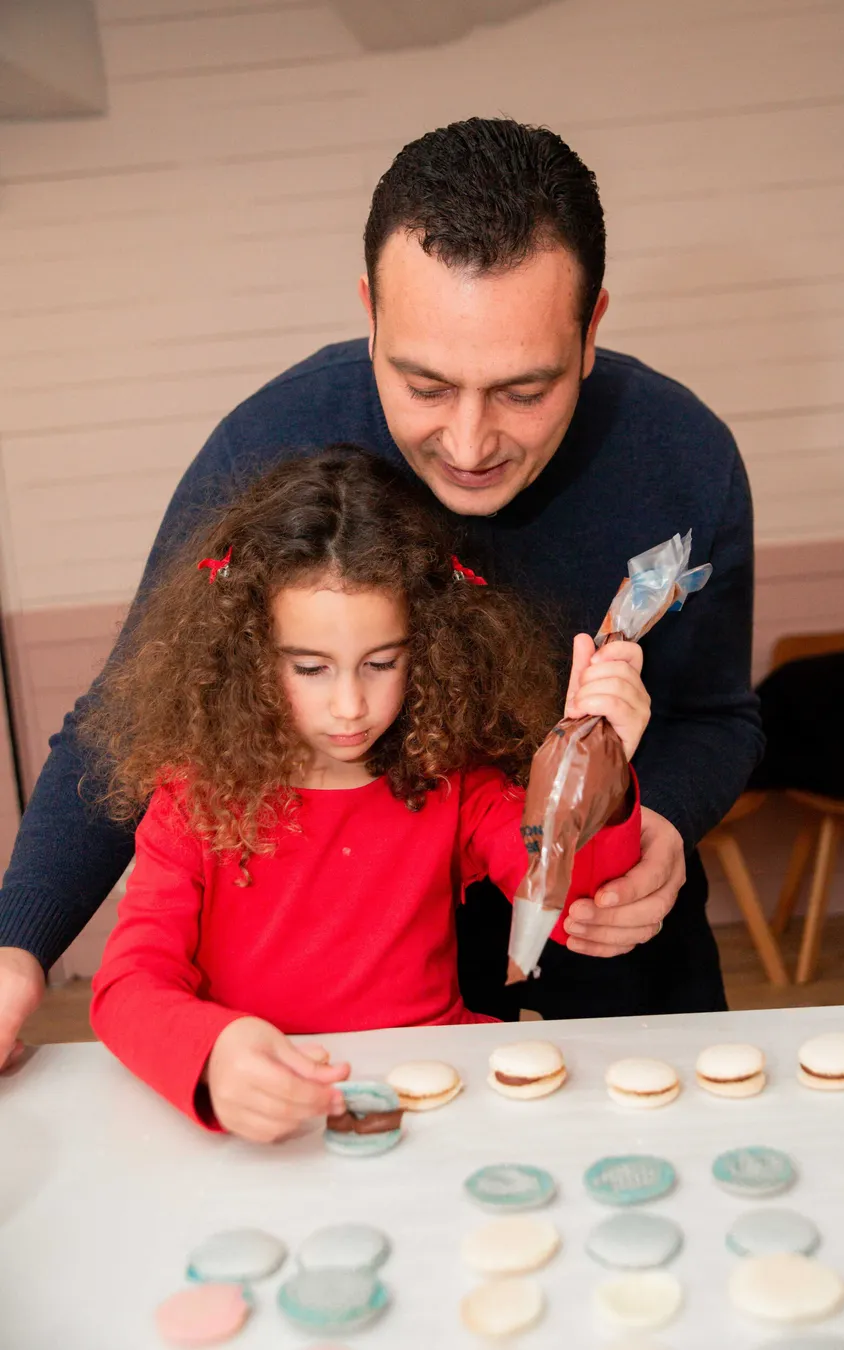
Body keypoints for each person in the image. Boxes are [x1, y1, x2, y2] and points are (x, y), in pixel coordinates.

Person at [0, 117, 763, 1065]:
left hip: (611, 929)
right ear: (370, 313)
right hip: (380, 971)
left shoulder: (684, 458)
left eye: (525, 391)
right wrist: (16, 945)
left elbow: (720, 718)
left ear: (591, 327)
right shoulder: (268, 448)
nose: (471, 444)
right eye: (424, 385)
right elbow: (128, 723)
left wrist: (653, 824)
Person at [85, 448, 648, 1140]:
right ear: (247, 656)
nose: (350, 705)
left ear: (432, 649)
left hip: (437, 1106)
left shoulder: (453, 781)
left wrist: (597, 766)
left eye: (381, 664)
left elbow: (578, 907)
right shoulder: (193, 802)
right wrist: (211, 1054)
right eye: (312, 668)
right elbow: (127, 988)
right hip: (271, 1117)